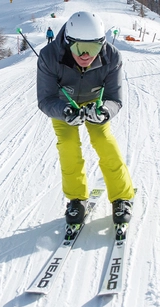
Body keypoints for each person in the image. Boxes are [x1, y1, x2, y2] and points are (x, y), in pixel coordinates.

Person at [36, 11, 135, 226]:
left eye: (93, 48)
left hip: (95, 103)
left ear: (102, 43)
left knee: (104, 141)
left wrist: (104, 112)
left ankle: (122, 197)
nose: (86, 55)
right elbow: (46, 99)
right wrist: (65, 112)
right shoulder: (50, 56)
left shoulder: (112, 57)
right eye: (79, 48)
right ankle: (76, 199)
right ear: (67, 42)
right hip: (63, 104)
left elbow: (114, 99)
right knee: (68, 145)